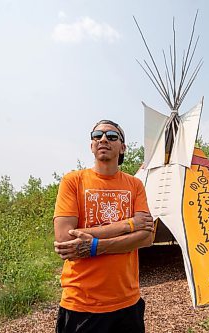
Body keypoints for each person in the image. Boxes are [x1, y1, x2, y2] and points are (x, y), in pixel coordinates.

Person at [53, 119, 155, 333]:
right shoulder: (73, 181)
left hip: (127, 301)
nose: (103, 139)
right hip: (81, 302)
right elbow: (65, 239)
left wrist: (95, 246)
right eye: (96, 135)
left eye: (111, 136)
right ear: (91, 145)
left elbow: (146, 237)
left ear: (122, 147)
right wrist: (129, 224)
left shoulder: (134, 185)